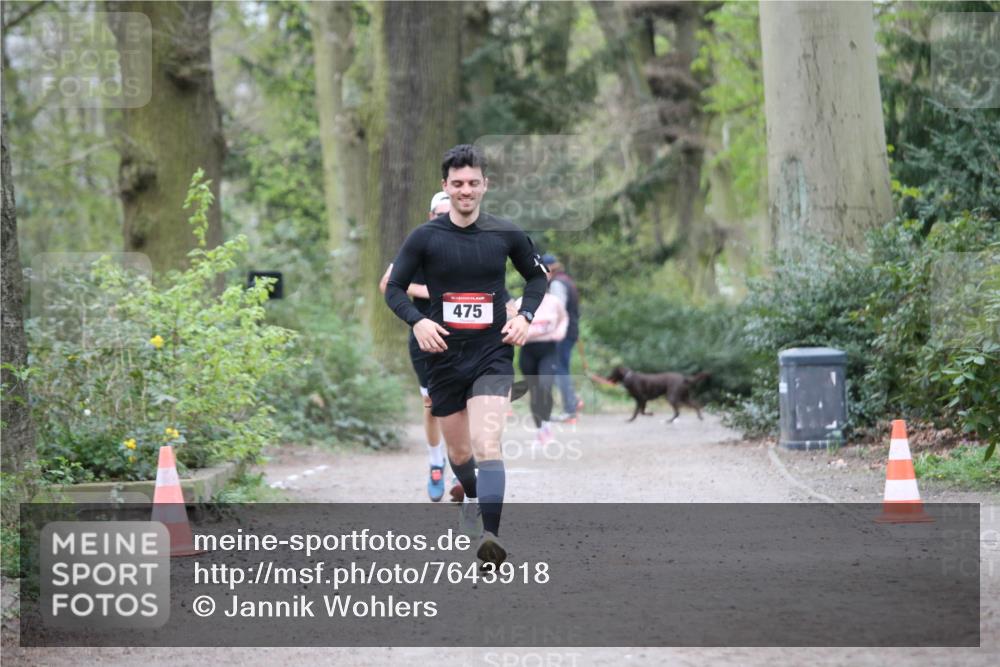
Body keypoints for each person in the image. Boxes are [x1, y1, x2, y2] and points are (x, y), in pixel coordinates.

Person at [384, 144, 548, 566]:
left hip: (491, 353)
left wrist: (525, 317)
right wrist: (417, 322)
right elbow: (394, 288)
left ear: (485, 186)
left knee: (486, 442)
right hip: (442, 356)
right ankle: (471, 497)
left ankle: (490, 537)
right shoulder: (425, 238)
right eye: (457, 184)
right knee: (459, 454)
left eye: (473, 183)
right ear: (445, 186)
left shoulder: (505, 234)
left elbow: (536, 278)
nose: (466, 191)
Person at [379, 192, 454, 502]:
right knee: (432, 406)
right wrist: (430, 291)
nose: (445, 220)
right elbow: (387, 282)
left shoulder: (473, 245)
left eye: (449, 214)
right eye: (439, 215)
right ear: (430, 217)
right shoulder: (421, 244)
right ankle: (436, 462)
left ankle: (469, 464)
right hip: (425, 336)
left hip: (466, 338)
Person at [511, 286, 568, 446]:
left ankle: (547, 424)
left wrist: (560, 332)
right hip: (528, 351)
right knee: (535, 391)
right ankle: (540, 430)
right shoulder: (520, 302)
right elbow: (513, 323)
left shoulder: (554, 302)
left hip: (548, 350)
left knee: (545, 386)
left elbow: (564, 319)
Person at [543, 254, 583, 423]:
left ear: (550, 268)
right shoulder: (566, 280)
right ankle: (573, 401)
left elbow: (557, 310)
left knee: (559, 369)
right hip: (569, 330)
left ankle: (570, 409)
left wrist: (547, 330)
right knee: (561, 368)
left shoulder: (557, 283)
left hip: (562, 332)